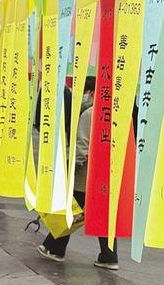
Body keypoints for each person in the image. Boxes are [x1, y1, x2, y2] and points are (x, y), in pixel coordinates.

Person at [37, 77, 119, 269]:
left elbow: (82, 145)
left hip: (86, 175)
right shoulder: (117, 115)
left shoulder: (90, 114)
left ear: (94, 93)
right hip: (108, 175)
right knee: (102, 214)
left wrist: (71, 167)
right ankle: (109, 256)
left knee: (71, 209)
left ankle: (55, 248)